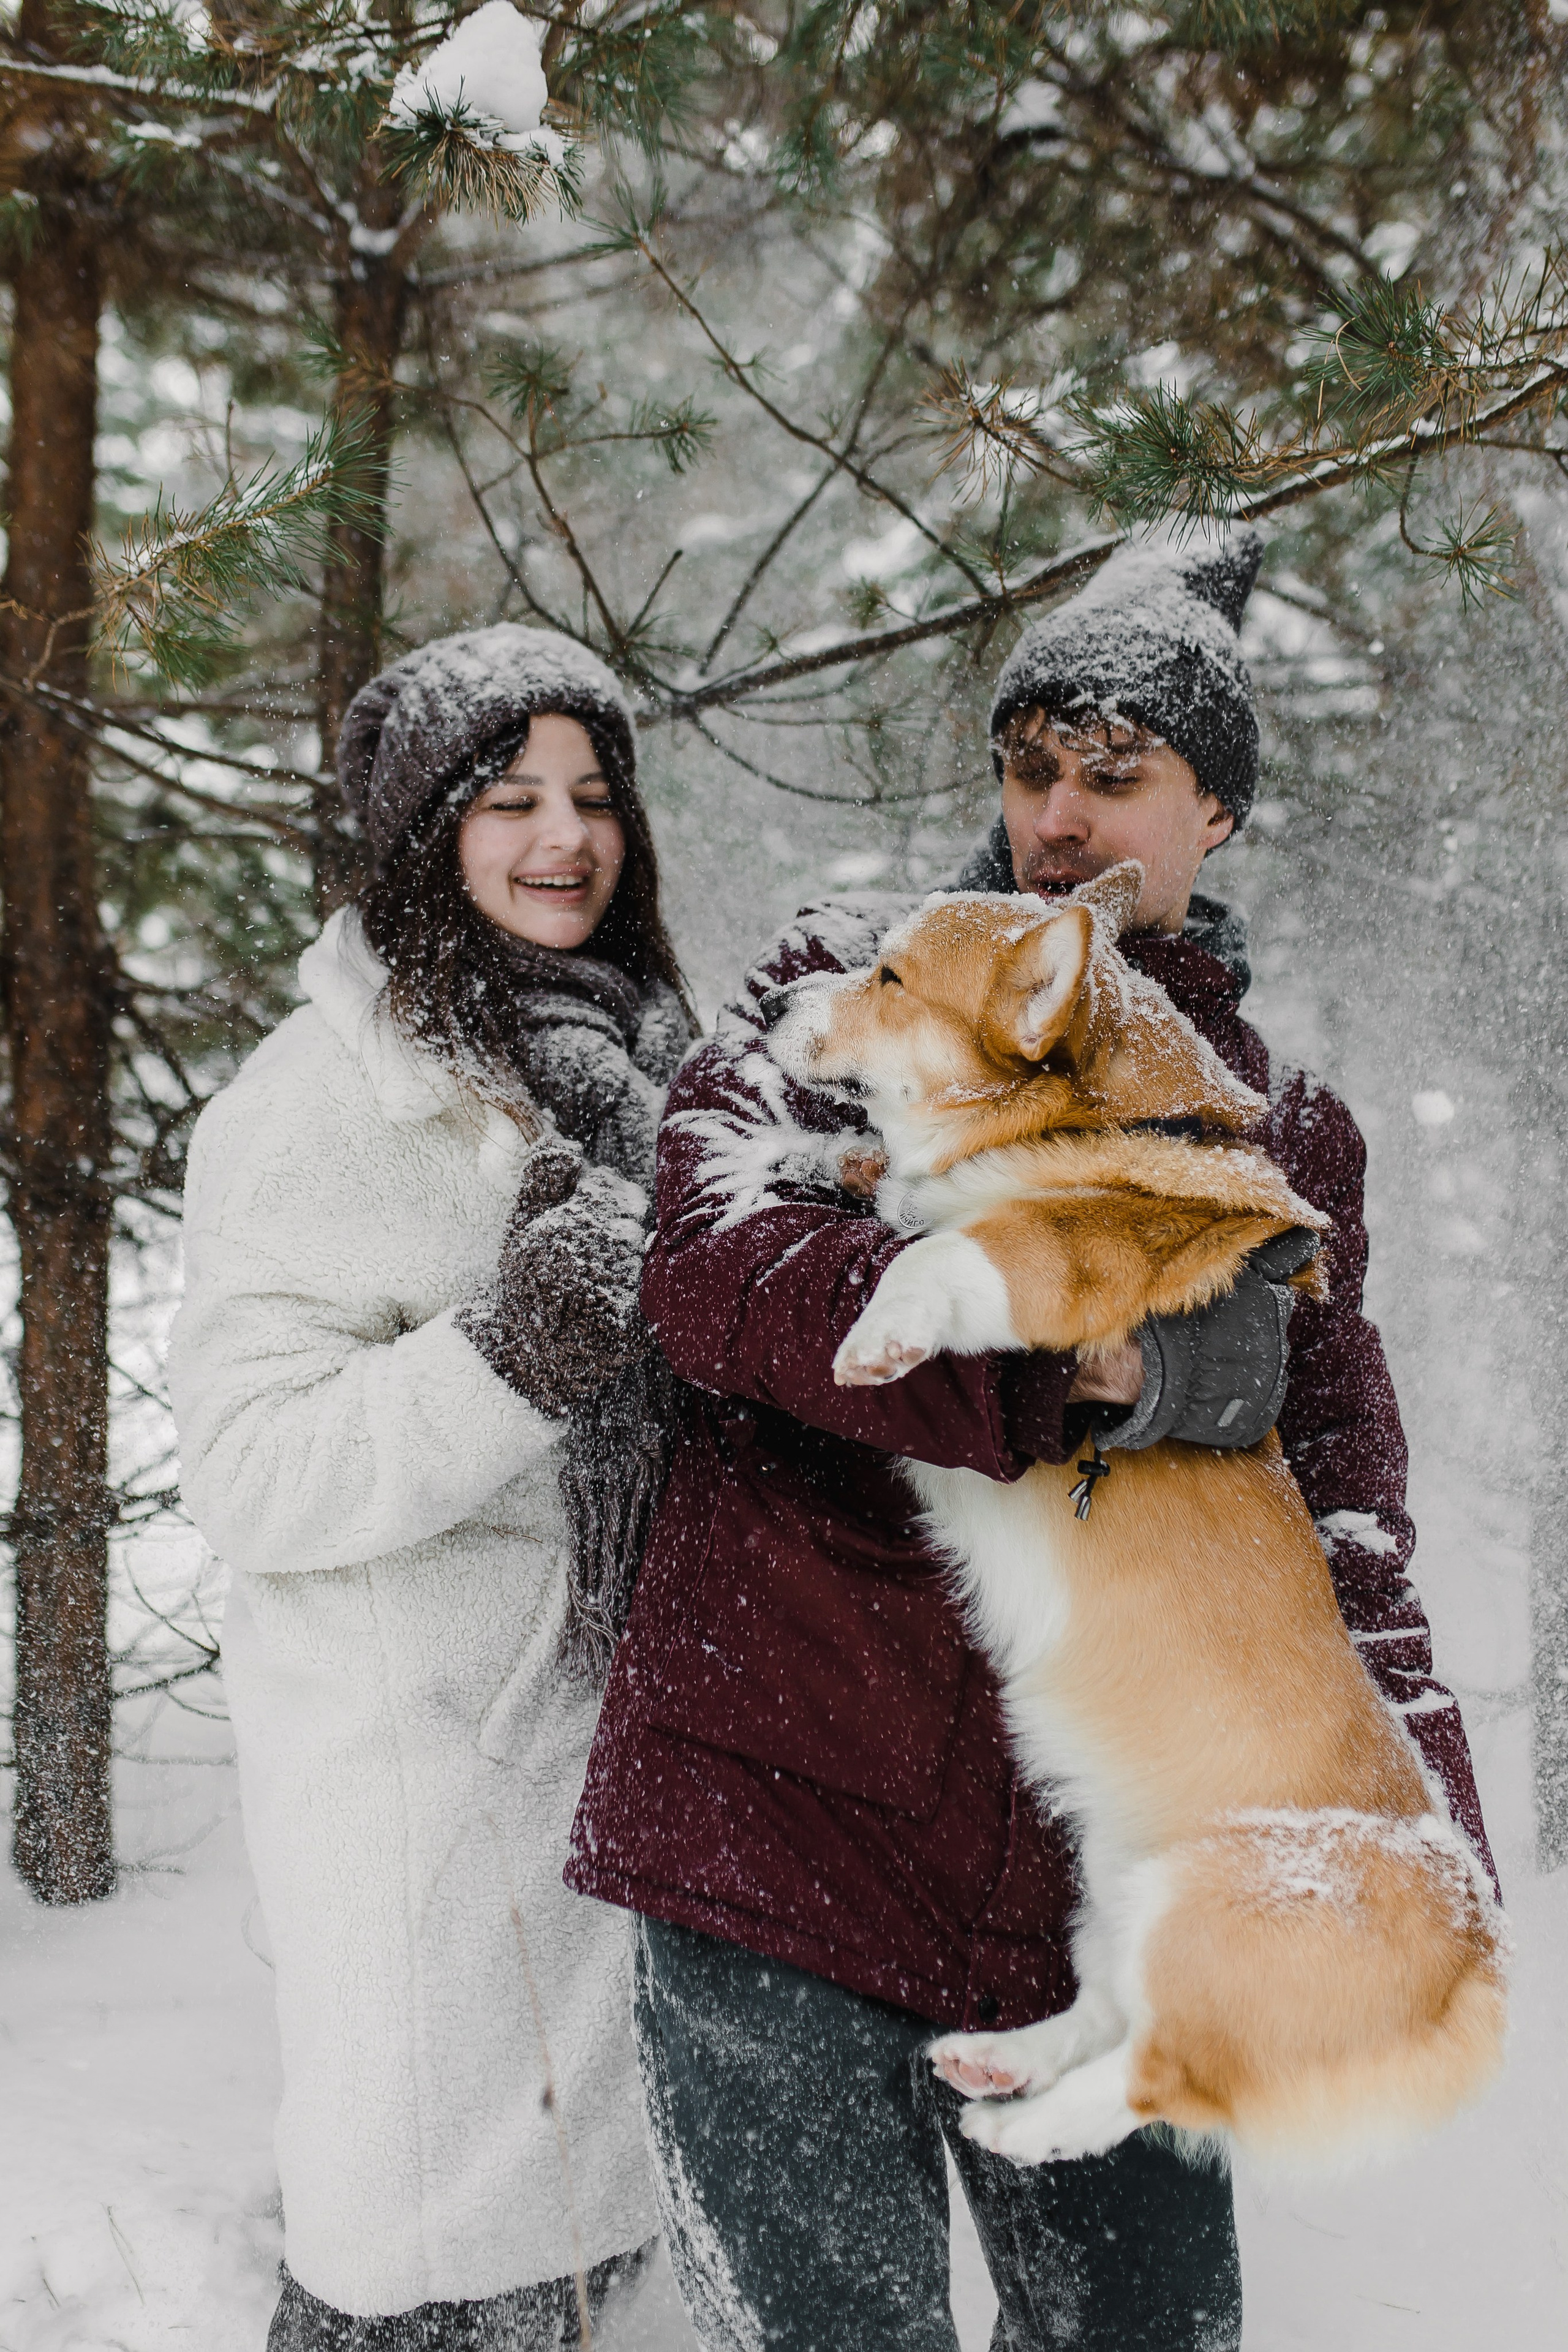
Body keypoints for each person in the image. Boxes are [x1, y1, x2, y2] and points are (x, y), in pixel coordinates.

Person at [564, 534, 1499, 2352]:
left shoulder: (1279, 1127)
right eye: (1030, 766)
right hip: (783, 1814)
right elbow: (713, 1267)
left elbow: (1344, 1518)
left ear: (1217, 812)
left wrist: (1421, 1840)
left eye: (1118, 776)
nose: (1059, 818)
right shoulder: (854, 984)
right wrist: (1074, 1356)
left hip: (1088, 1884)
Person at [168, 625, 694, 2351]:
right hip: (428, 1792)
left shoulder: (637, 1062)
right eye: (511, 799)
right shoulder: (318, 1104)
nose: (567, 838)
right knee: (423, 2264)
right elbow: (250, 1472)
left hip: (611, 1758)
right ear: (425, 829)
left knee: (584, 2257)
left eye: (595, 796)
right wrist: (511, 1356)